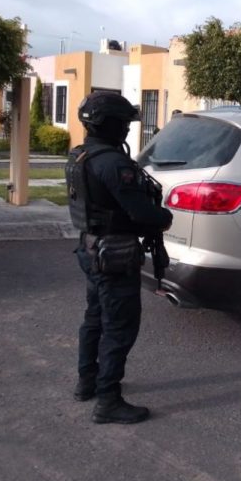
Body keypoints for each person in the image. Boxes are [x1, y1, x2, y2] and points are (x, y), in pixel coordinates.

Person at [65, 92, 173, 424]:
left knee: (95, 318)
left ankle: (87, 382)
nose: (127, 128)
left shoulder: (80, 155)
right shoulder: (114, 164)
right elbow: (142, 214)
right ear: (108, 124)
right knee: (119, 327)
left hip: (91, 249)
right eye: (124, 123)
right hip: (113, 256)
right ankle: (108, 401)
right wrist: (164, 217)